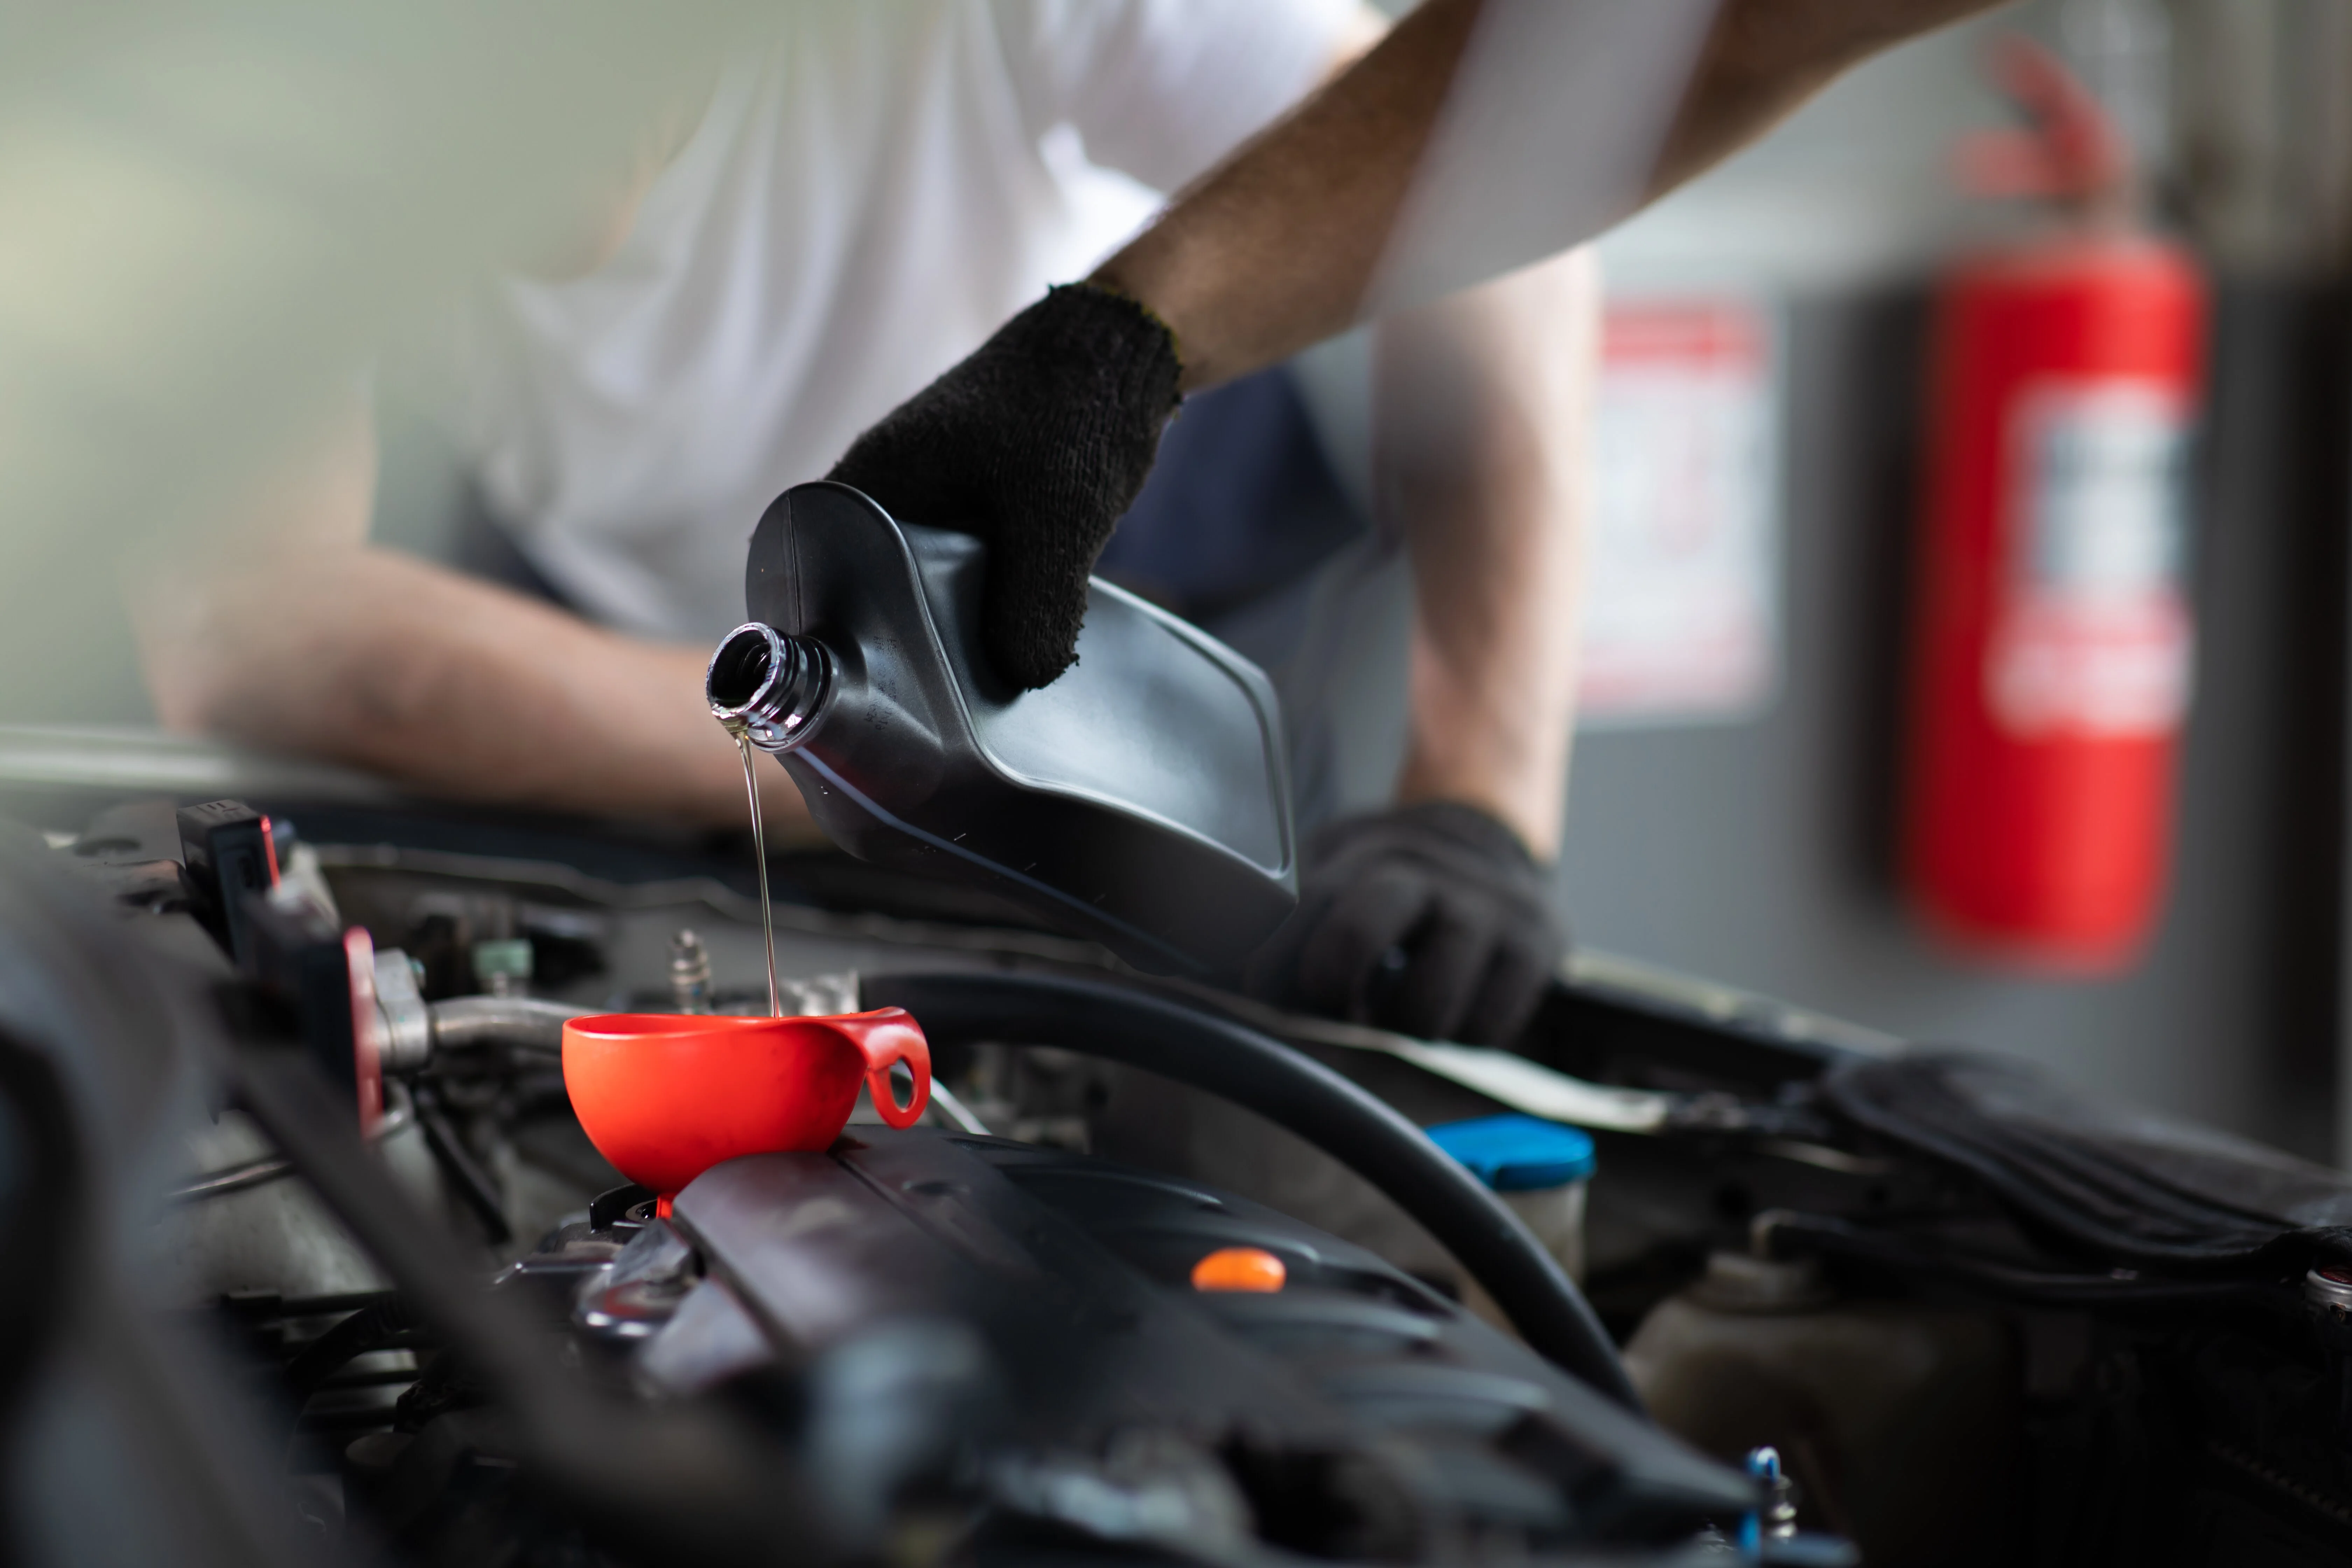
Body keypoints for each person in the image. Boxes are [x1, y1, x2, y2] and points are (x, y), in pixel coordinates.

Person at [131, 0, 1592, 1044]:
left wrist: (1479, 797)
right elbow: (247, 618)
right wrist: (838, 741)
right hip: (628, 635)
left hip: (1076, 573)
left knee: (1240, 1035)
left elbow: (1473, 179)